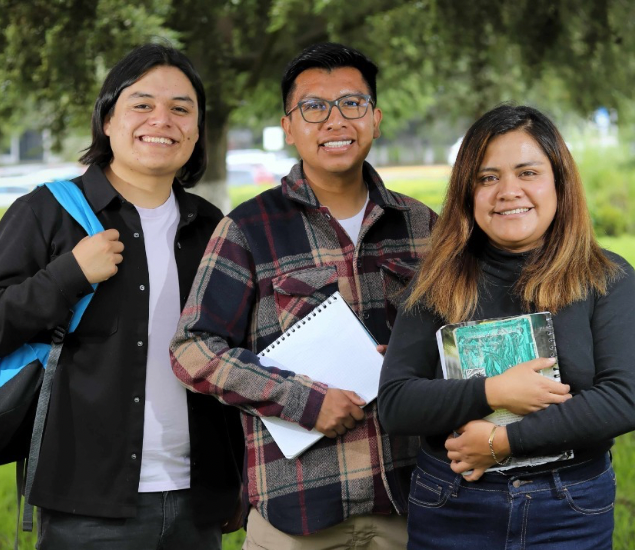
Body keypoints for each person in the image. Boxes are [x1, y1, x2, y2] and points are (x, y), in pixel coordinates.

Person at [0, 44, 243, 549]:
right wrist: (67, 274)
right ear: (107, 120)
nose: (162, 119)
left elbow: (233, 358)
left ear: (197, 131)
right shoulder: (47, 213)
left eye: (181, 108)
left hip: (197, 502)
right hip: (86, 504)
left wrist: (234, 481)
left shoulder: (214, 229)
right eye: (141, 104)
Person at [170, 42, 437, 549]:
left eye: (352, 104)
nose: (335, 120)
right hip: (296, 514)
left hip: (412, 503)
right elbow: (192, 348)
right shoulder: (247, 229)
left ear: (375, 119)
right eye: (313, 107)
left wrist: (415, 360)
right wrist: (302, 400)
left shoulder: (424, 226)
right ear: (289, 127)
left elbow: (458, 341)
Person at [378, 104, 635, 549]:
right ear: (468, 193)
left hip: (570, 509)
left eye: (527, 173)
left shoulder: (607, 277)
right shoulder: (436, 282)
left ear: (560, 184)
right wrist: (493, 392)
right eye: (488, 178)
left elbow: (627, 401)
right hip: (453, 503)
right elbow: (395, 403)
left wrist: (503, 441)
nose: (508, 191)